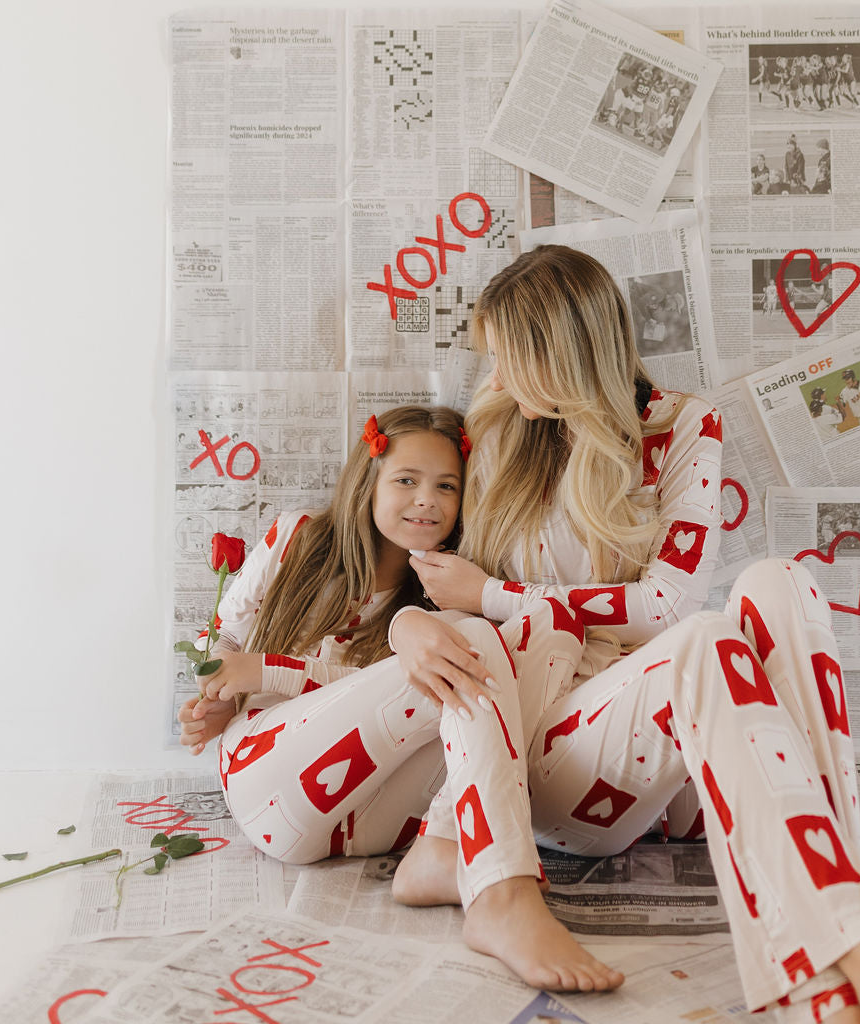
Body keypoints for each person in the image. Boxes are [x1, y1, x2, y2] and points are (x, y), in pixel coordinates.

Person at [391, 247, 860, 1024]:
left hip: (651, 744)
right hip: (546, 751)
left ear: (563, 354)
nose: (495, 375)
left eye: (510, 355)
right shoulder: (496, 434)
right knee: (706, 641)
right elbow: (431, 582)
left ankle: (831, 968)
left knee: (782, 584)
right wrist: (415, 619)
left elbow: (667, 602)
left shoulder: (681, 423)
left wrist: (501, 592)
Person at [179, 403, 621, 994]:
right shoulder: (298, 538)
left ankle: (444, 847)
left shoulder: (451, 585)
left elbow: (395, 701)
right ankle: (496, 884)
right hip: (273, 787)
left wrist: (410, 619)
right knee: (465, 645)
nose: (427, 501)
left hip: (378, 820)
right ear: (370, 480)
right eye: (406, 481)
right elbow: (225, 643)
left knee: (551, 623)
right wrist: (219, 693)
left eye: (447, 486)